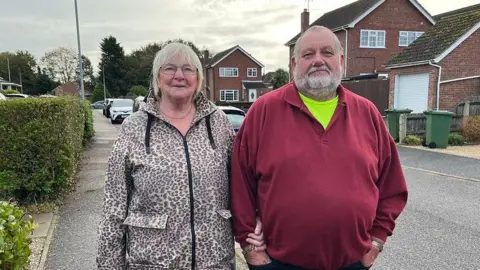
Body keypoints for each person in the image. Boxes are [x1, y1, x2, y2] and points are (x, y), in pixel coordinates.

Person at [230, 25, 408, 270]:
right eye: (307, 54)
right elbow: (240, 186)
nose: (318, 61)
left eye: (327, 52)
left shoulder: (367, 114)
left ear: (341, 60)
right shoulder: (263, 111)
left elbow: (392, 187)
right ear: (294, 65)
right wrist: (251, 249)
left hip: (352, 263)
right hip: (279, 264)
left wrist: (377, 242)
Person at [97, 42, 265, 269]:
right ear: (157, 77)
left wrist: (252, 225)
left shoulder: (217, 122)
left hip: (214, 261)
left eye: (188, 69)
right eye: (169, 68)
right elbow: (113, 206)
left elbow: (241, 183)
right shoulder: (134, 127)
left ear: (198, 78)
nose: (179, 75)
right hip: (153, 263)